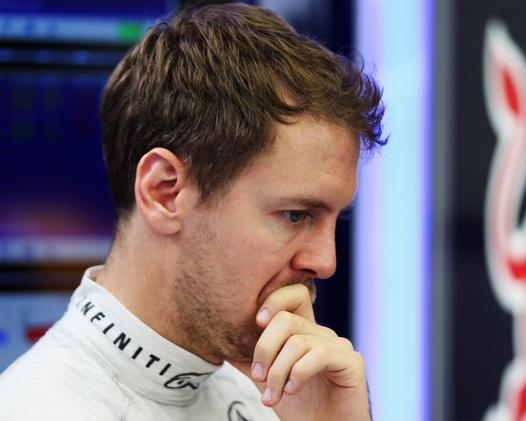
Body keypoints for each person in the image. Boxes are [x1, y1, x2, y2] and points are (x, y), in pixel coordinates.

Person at [0, 3, 385, 420]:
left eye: (336, 219)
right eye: (296, 215)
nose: (325, 262)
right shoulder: (39, 409)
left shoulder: (280, 394)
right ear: (164, 192)